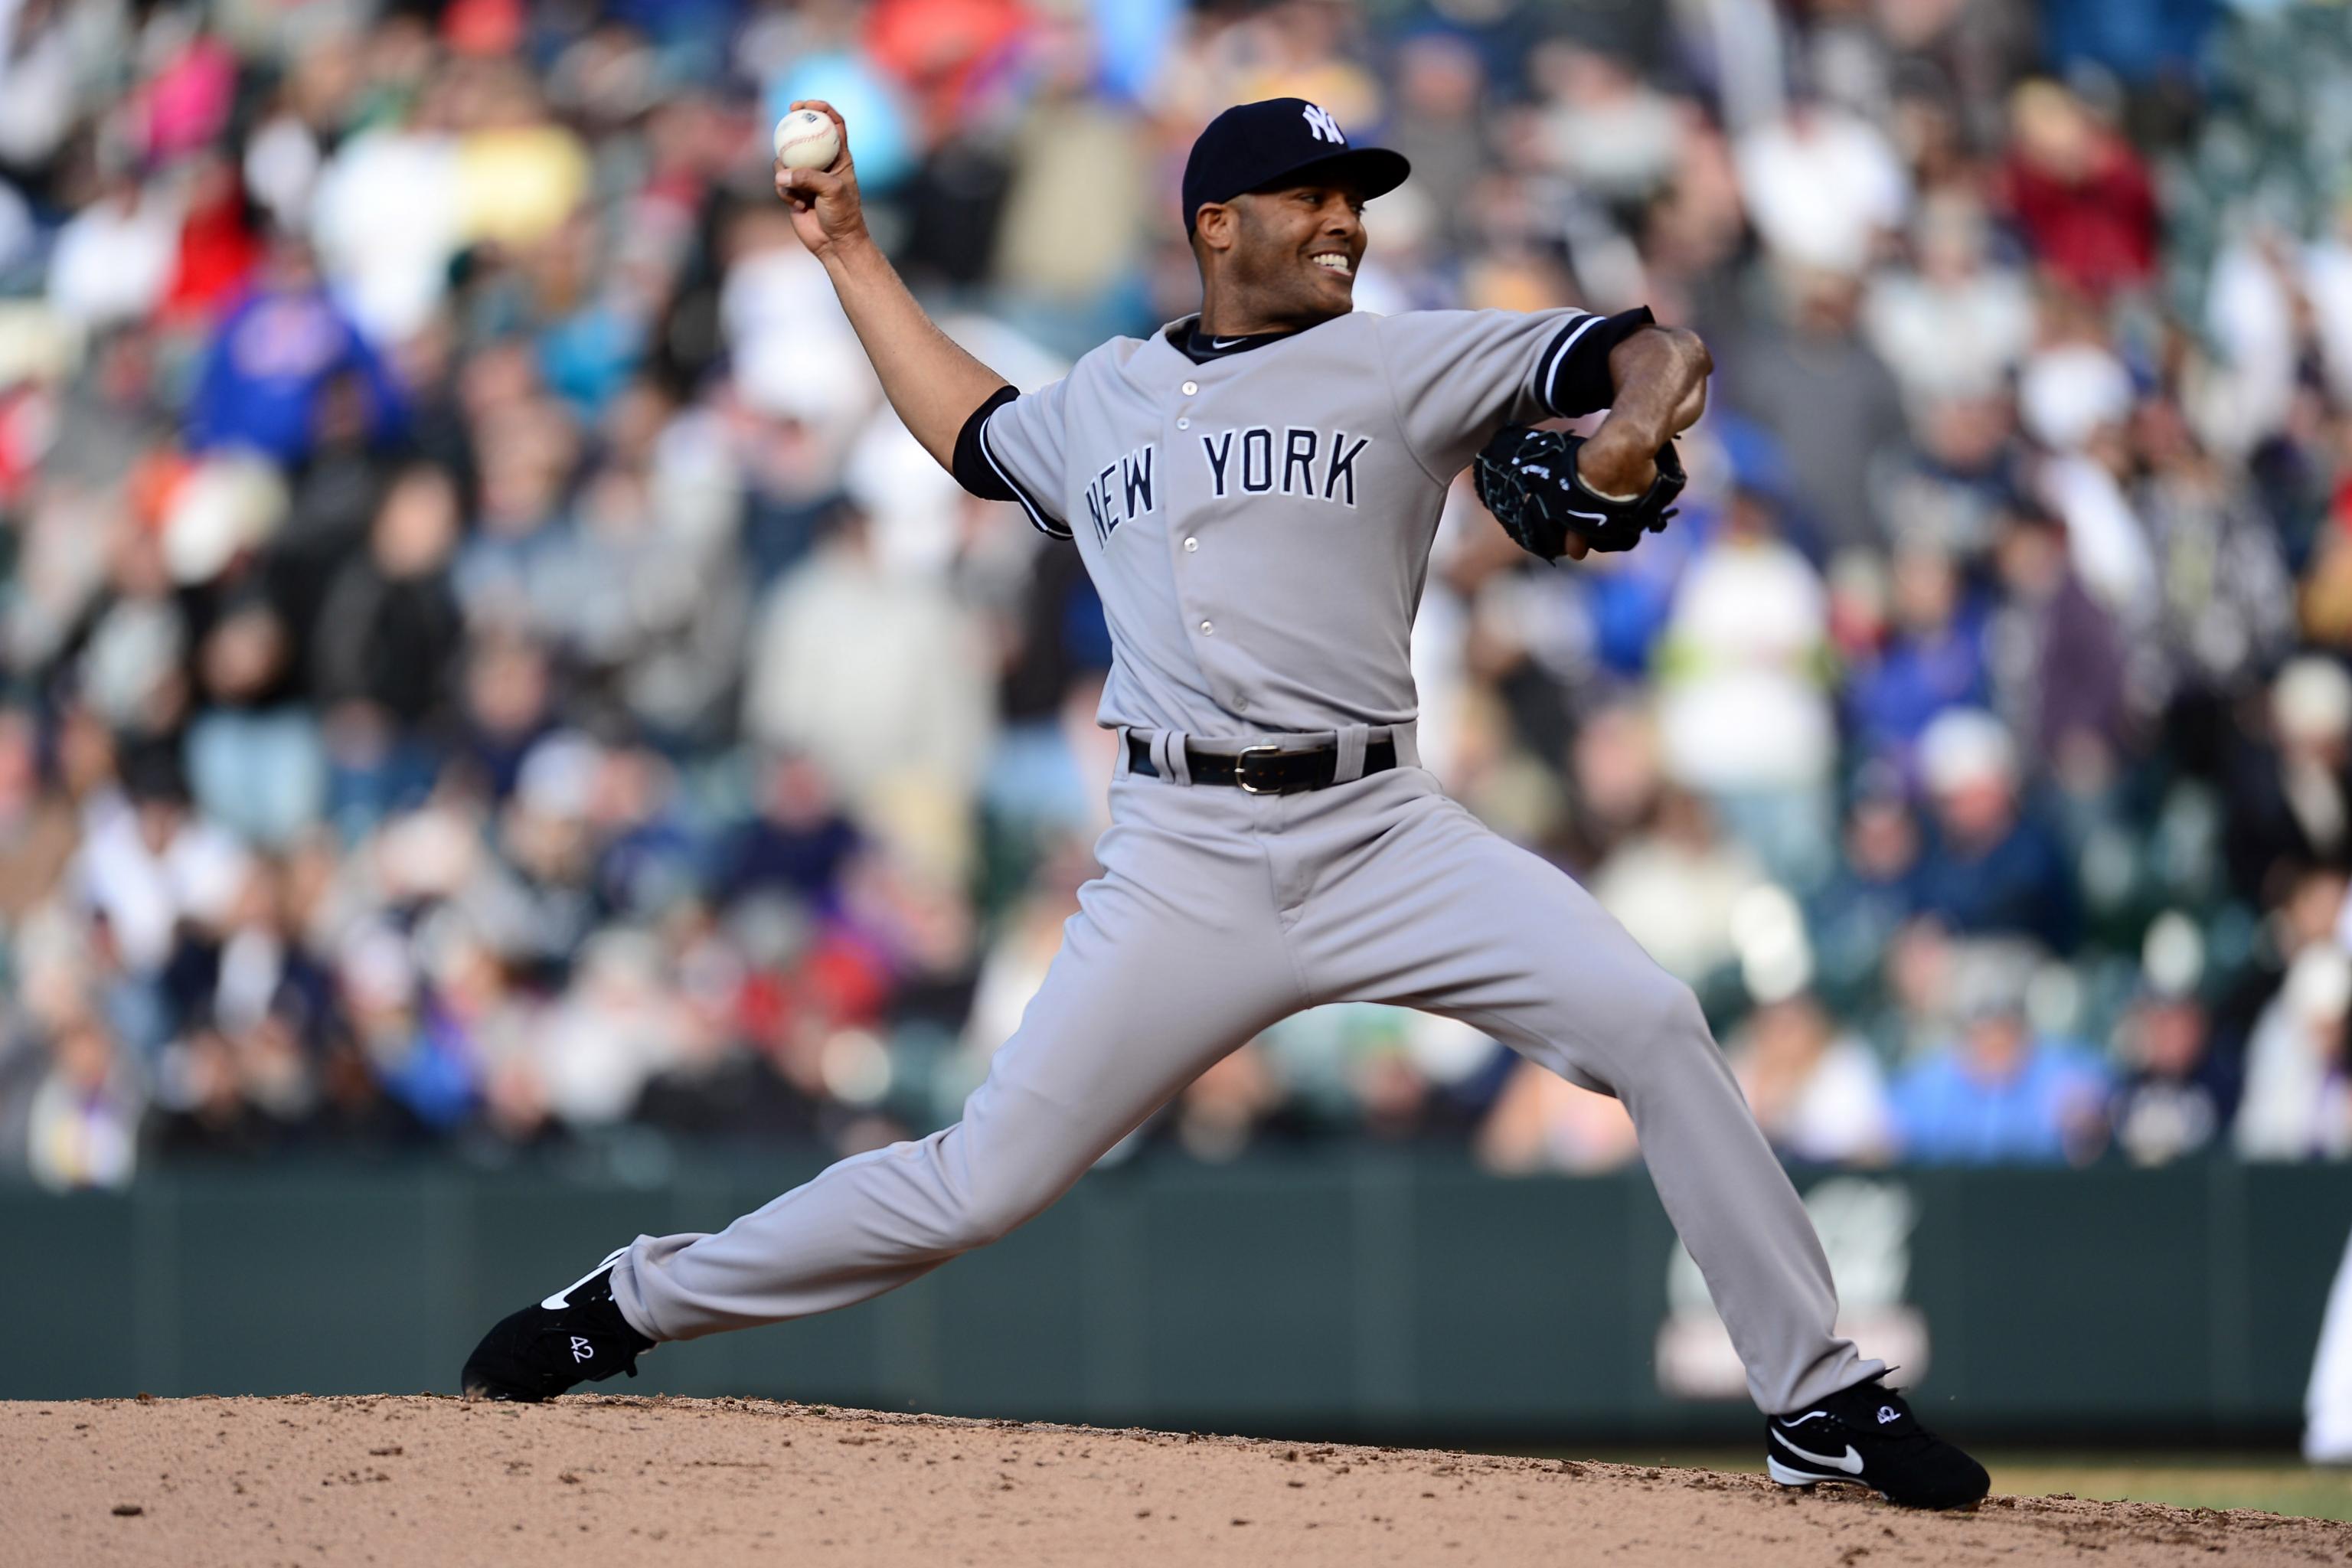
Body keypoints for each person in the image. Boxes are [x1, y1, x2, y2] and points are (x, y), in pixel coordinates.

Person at [459, 98, 1988, 1510]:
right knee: (981, 1179)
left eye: (1355, 198)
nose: (1345, 220)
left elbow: (1656, 350)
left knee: (1654, 1021)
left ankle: (1815, 1397)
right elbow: (977, 438)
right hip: (1181, 859)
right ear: (1214, 225)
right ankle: (629, 1301)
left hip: (1385, 835)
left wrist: (1623, 434)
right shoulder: (1110, 393)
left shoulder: (1403, 357)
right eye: (1310, 195)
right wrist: (850, 249)